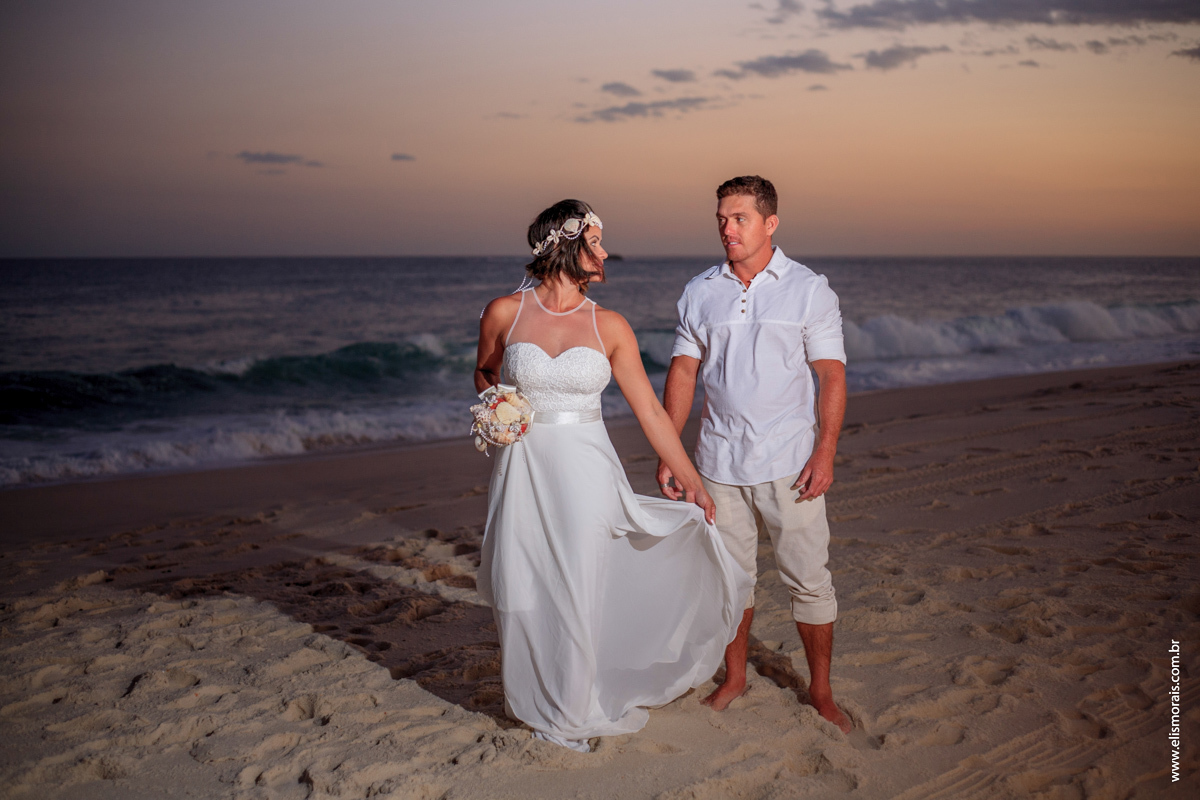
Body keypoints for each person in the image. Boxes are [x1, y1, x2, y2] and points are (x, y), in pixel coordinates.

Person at [474, 199, 751, 753]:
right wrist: (497, 409)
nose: (604, 252)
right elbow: (485, 371)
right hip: (523, 470)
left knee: (576, 583)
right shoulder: (504, 311)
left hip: (585, 471)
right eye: (596, 241)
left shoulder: (610, 325)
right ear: (563, 243)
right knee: (520, 582)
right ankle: (532, 697)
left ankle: (572, 712)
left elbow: (650, 412)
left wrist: (691, 479)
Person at [656, 176, 852, 733]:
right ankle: (736, 677)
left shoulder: (810, 289)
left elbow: (831, 375)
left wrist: (826, 450)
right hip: (717, 463)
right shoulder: (701, 290)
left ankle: (820, 691)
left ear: (770, 223)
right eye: (721, 217)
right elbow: (684, 371)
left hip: (790, 462)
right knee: (730, 581)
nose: (727, 227)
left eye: (739, 217)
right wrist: (673, 450)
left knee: (808, 580)